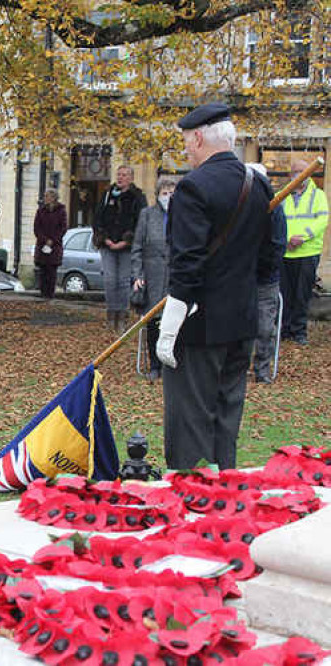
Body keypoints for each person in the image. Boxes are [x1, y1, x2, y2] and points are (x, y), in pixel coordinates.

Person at [156, 103, 279, 470]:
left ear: (198, 137)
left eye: (186, 143)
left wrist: (170, 324)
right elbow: (270, 255)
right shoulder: (257, 184)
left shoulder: (193, 187)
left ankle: (195, 501)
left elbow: (187, 263)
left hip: (200, 323)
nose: (185, 150)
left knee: (191, 420)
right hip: (241, 320)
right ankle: (225, 496)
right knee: (226, 418)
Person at [131, 176, 177, 380]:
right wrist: (138, 275)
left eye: (172, 193)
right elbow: (137, 248)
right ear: (158, 195)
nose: (169, 197)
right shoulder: (147, 215)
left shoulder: (184, 216)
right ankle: (155, 365)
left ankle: (172, 363)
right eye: (165, 193)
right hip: (152, 276)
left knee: (174, 322)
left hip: (175, 277)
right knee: (153, 323)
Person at [246, 163, 287, 384]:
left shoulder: (275, 208)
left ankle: (262, 368)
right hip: (241, 278)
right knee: (238, 326)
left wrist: (263, 266)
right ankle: (238, 366)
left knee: (264, 327)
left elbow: (278, 245)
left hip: (265, 279)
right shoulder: (239, 206)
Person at [280, 158, 328, 346]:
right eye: (294, 171)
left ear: (309, 173)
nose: (298, 175)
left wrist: (302, 237)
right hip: (286, 252)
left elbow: (321, 221)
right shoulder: (282, 195)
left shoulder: (318, 196)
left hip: (307, 252)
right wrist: (286, 240)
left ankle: (299, 331)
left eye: (302, 171)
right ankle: (285, 329)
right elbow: (275, 222)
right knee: (285, 293)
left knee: (302, 294)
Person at [93, 165, 147, 332]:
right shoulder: (107, 194)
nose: (120, 177)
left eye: (124, 175)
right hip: (107, 244)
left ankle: (122, 316)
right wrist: (105, 238)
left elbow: (141, 222)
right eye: (119, 174)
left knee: (123, 281)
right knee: (110, 281)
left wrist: (127, 241)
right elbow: (97, 219)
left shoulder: (137, 197)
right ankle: (111, 314)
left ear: (131, 178)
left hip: (126, 246)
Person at [33, 189, 67, 299]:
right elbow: (37, 228)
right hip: (42, 245)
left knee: (52, 271)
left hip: (55, 246)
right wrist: (44, 239)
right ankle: (43, 294)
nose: (45, 198)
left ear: (54, 198)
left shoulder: (61, 211)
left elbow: (63, 228)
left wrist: (53, 240)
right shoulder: (40, 211)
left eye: (47, 196)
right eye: (45, 196)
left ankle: (50, 294)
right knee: (43, 271)